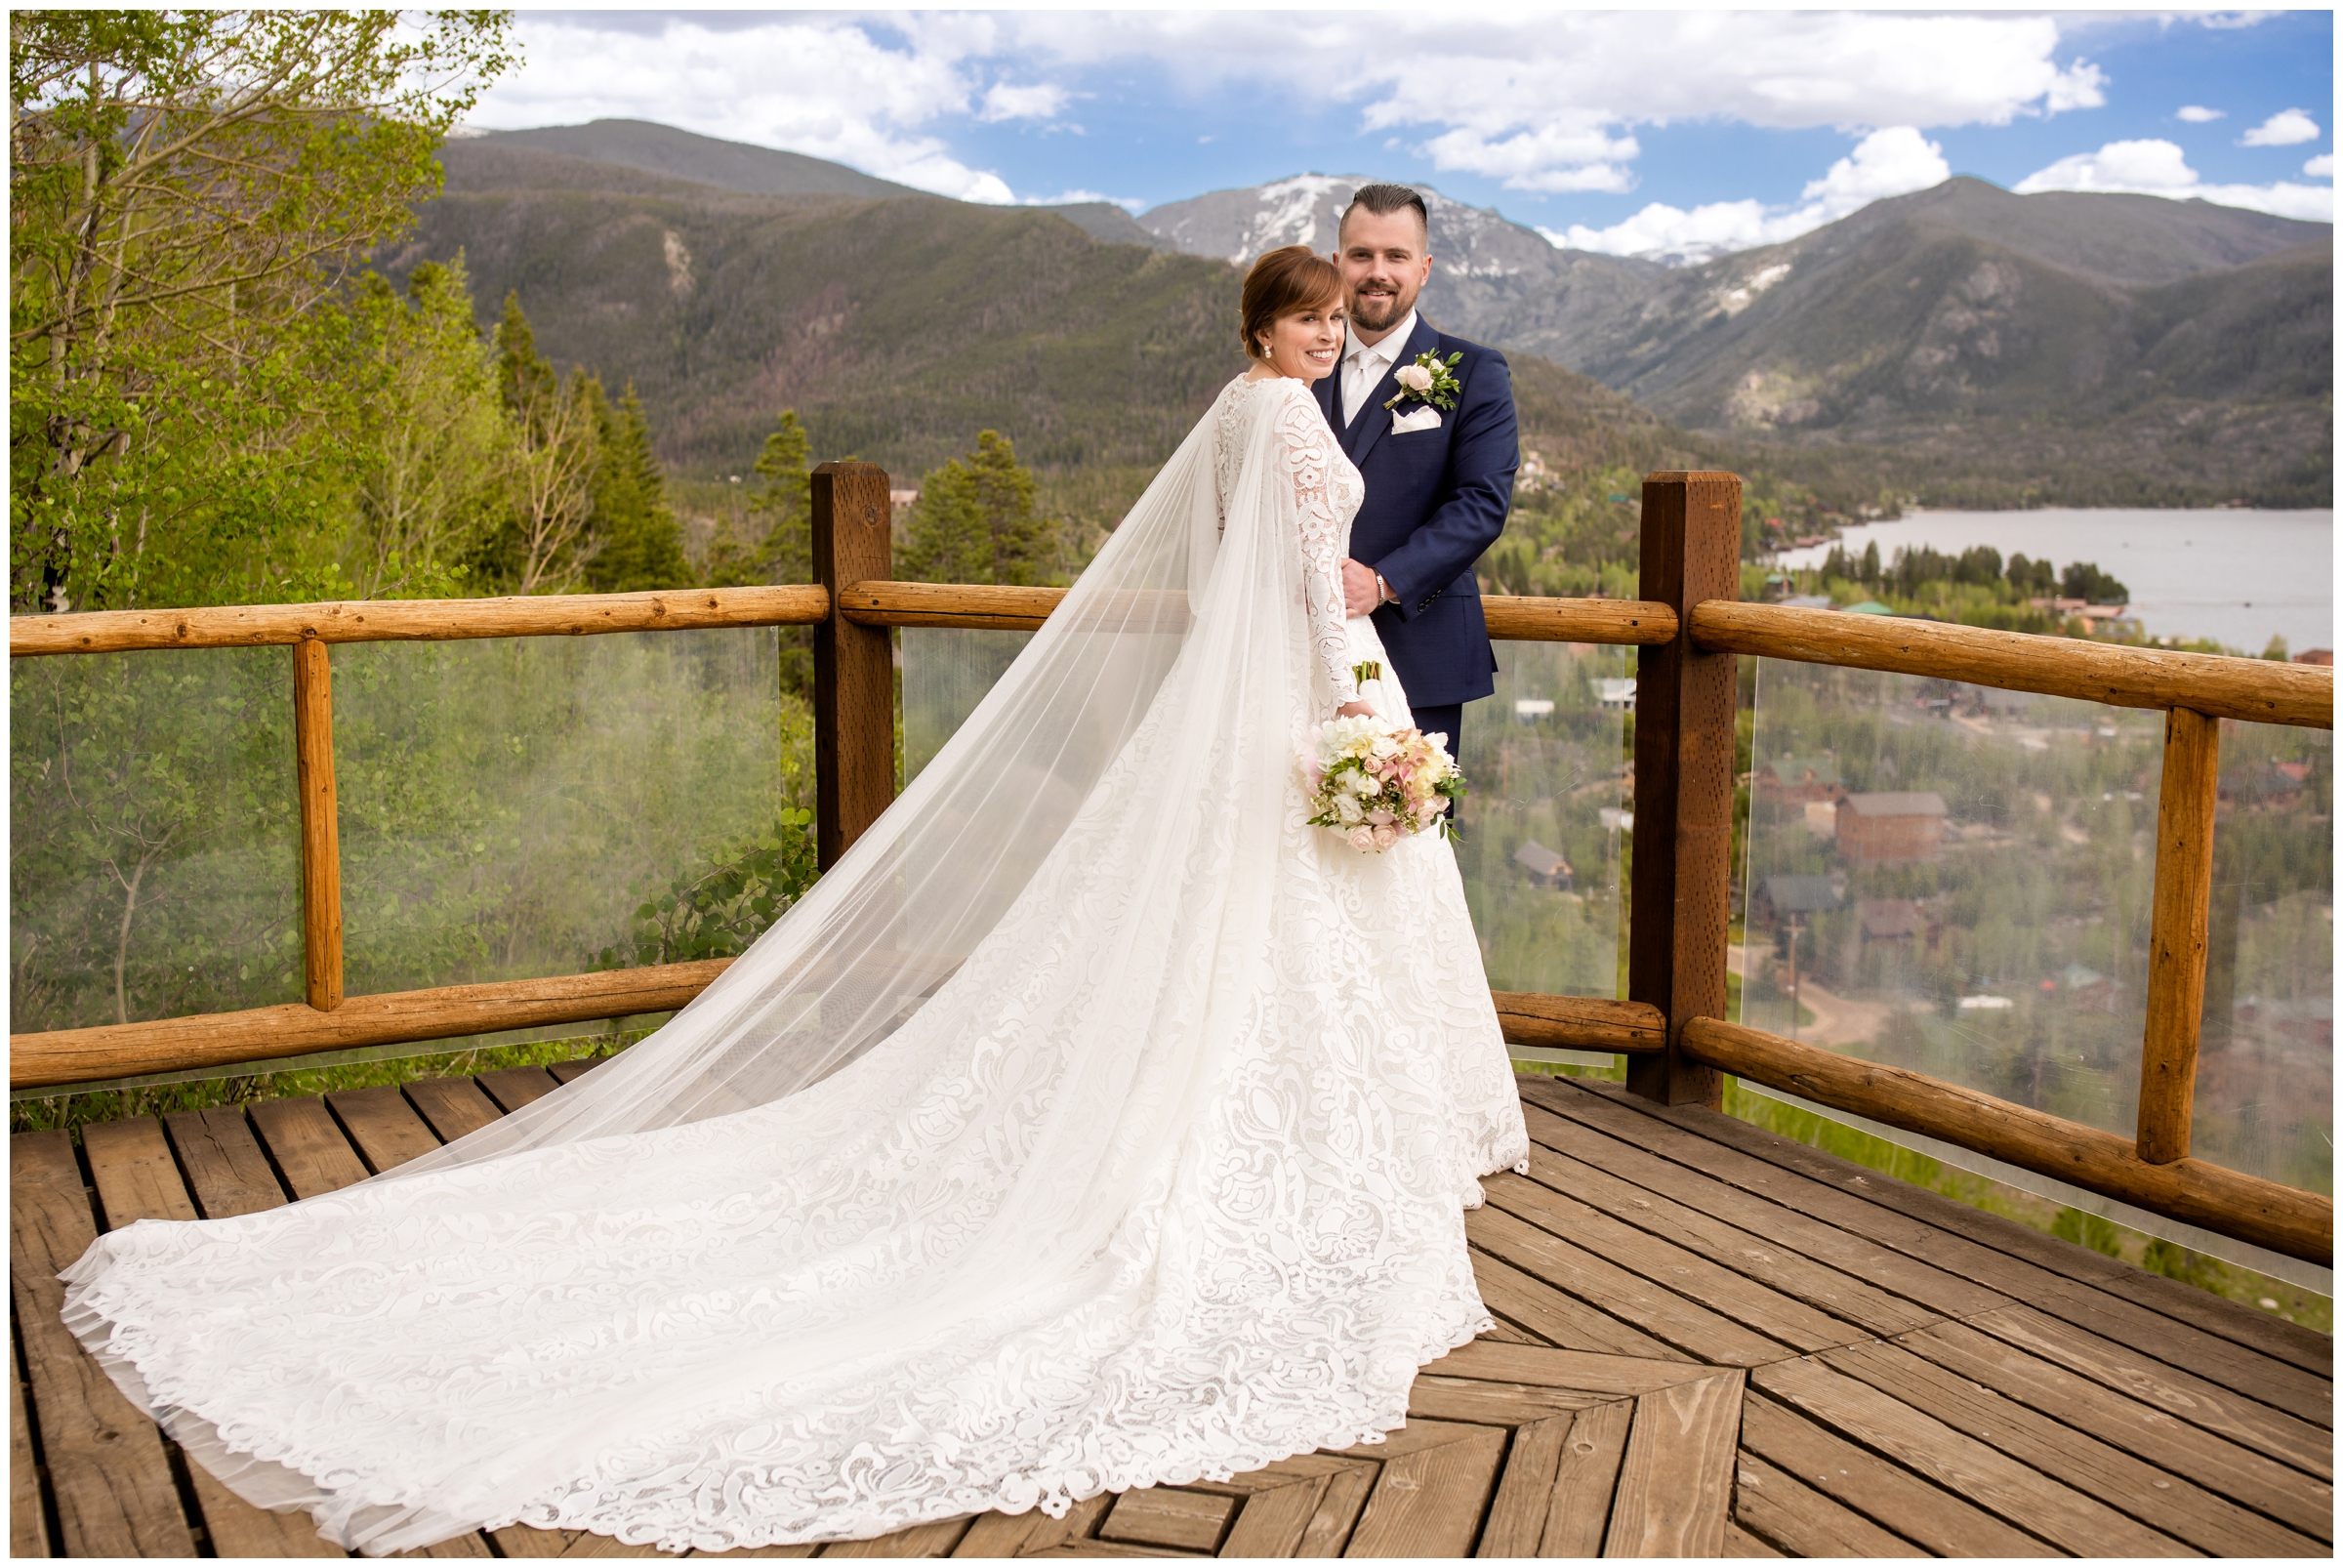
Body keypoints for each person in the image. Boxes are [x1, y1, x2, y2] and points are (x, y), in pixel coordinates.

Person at [59, 246, 1528, 1557]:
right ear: (1267, 327)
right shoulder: (1278, 419)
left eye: (1342, 315)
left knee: (1238, 937)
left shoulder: (1239, 410)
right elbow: (1302, 582)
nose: (1330, 335)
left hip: (1287, 686)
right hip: (1322, 680)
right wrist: (1354, 711)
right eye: (1310, 315)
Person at [1314, 184, 1519, 756]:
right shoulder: (1298, 371)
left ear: (1423, 268)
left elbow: (1480, 504)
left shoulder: (1477, 371)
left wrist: (1382, 582)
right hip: (1299, 650)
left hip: (1418, 653)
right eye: (1361, 255)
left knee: (1409, 834)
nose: (1377, 272)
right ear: (1338, 264)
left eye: (1395, 256)